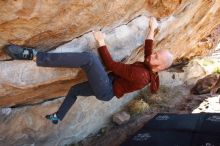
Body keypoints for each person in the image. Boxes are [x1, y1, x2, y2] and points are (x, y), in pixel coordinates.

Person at [4, 17, 173, 124]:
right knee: (73, 90)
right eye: (157, 54)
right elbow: (149, 50)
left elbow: (112, 66)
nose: (153, 56)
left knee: (89, 59)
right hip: (108, 88)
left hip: (106, 88)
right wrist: (152, 29)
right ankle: (58, 117)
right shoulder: (152, 67)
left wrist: (101, 41)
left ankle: (35, 56)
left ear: (160, 66)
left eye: (157, 57)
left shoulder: (142, 75)